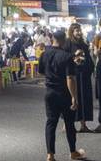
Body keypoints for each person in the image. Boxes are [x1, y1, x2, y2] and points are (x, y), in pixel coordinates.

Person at [40, 30, 86, 161]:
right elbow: (70, 78)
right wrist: (74, 97)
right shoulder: (66, 57)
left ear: (53, 39)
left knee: (51, 122)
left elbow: (42, 71)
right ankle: (73, 152)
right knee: (69, 123)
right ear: (64, 40)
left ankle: (50, 154)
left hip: (50, 92)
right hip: (64, 93)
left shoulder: (44, 54)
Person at [67, 23, 94, 133]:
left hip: (84, 75)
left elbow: (88, 58)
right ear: (72, 32)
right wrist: (74, 55)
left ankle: (84, 124)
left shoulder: (83, 43)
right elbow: (64, 57)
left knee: (84, 99)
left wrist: (90, 68)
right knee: (72, 98)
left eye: (79, 30)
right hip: (74, 75)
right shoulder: (68, 43)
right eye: (76, 30)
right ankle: (68, 124)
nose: (79, 32)